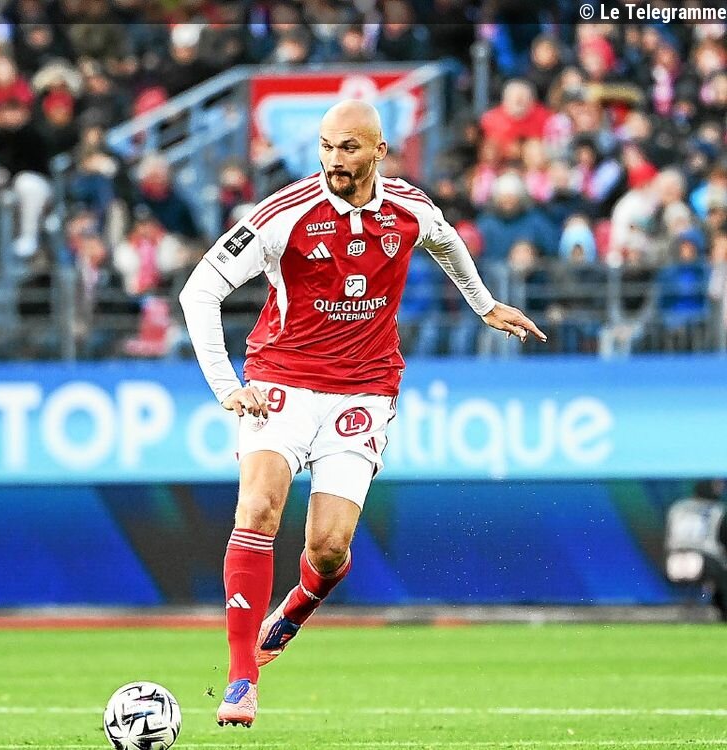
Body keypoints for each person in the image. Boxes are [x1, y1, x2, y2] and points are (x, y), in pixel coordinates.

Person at [178, 100, 547, 728]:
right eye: (325, 147)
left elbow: (446, 241)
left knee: (328, 548)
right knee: (258, 508)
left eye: (347, 147)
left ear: (380, 150)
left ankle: (297, 607)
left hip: (363, 392)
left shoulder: (409, 208)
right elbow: (199, 290)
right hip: (281, 381)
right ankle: (241, 679)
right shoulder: (283, 214)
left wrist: (484, 304)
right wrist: (226, 386)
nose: (333, 160)